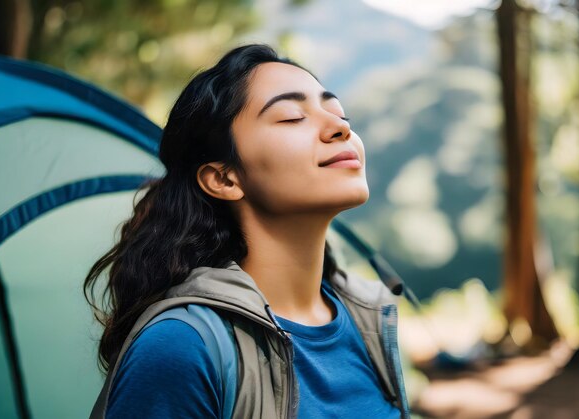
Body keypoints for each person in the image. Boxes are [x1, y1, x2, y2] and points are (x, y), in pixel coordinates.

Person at [84, 43, 409, 419]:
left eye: (339, 113)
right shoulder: (184, 346)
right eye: (291, 117)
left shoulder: (369, 315)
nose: (341, 127)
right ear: (224, 178)